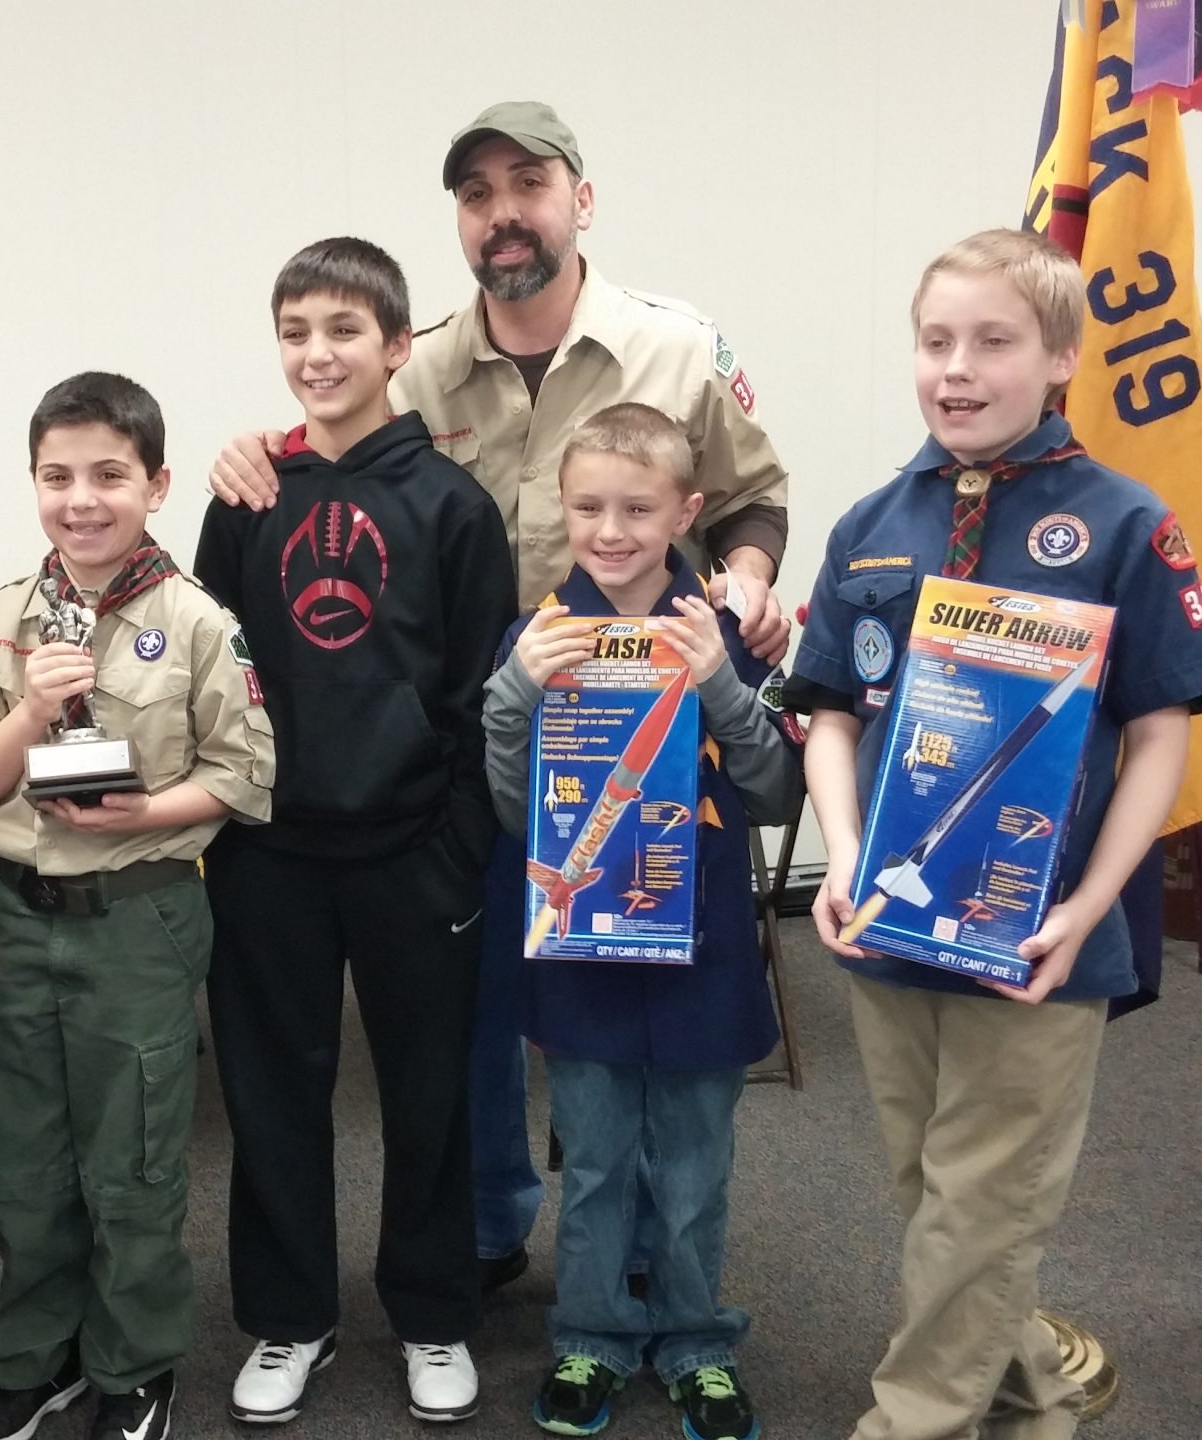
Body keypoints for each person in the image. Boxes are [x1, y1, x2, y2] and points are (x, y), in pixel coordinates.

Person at [208, 102, 797, 1284]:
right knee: (475, 1007)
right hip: (486, 724)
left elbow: (752, 496)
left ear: (581, 199)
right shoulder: (418, 358)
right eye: (476, 196)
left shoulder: (675, 347)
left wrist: (746, 575)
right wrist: (248, 455)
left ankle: (624, 1230)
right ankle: (481, 1228)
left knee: (626, 974)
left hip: (642, 714)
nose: (502, 213)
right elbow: (336, 447)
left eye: (526, 185)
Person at [782, 230, 1202, 1440]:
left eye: (993, 341)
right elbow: (827, 711)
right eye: (936, 342)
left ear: (1062, 358)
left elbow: (1159, 735)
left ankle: (911, 1420)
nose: (958, 370)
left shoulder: (1123, 525)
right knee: (938, 1189)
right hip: (887, 921)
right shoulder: (874, 523)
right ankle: (1031, 1385)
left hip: (1036, 934)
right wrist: (838, 859)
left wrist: (1088, 907)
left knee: (981, 1199)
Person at [194, 238, 517, 1426]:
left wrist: (458, 841)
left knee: (429, 1090)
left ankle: (433, 1315)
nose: (315, 355)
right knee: (272, 1090)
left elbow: (487, 693)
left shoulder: (452, 503)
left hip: (412, 851)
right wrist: (227, 827)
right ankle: (292, 1317)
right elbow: (209, 675)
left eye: (342, 331)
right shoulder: (243, 500)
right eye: (294, 333)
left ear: (395, 346)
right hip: (270, 852)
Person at [0, 373, 275, 1440]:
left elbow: (245, 772)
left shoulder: (195, 623)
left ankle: (133, 1364)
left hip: (140, 916)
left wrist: (145, 814)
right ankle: (35, 1360)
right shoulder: (0, 621)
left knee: (131, 1161)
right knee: (23, 1162)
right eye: (57, 476)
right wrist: (34, 705)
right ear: (33, 483)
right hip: (19, 919)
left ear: (156, 484)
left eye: (108, 476)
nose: (81, 499)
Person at [482, 404, 799, 1440]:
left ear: (686, 511)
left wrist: (718, 683)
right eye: (586, 507)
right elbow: (505, 805)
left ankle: (697, 1339)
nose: (609, 530)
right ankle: (590, 1339)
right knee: (599, 1160)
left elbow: (772, 790)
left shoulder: (720, 632)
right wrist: (512, 698)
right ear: (557, 508)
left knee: (697, 1162)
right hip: (585, 949)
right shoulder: (535, 635)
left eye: (636, 507)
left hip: (701, 945)